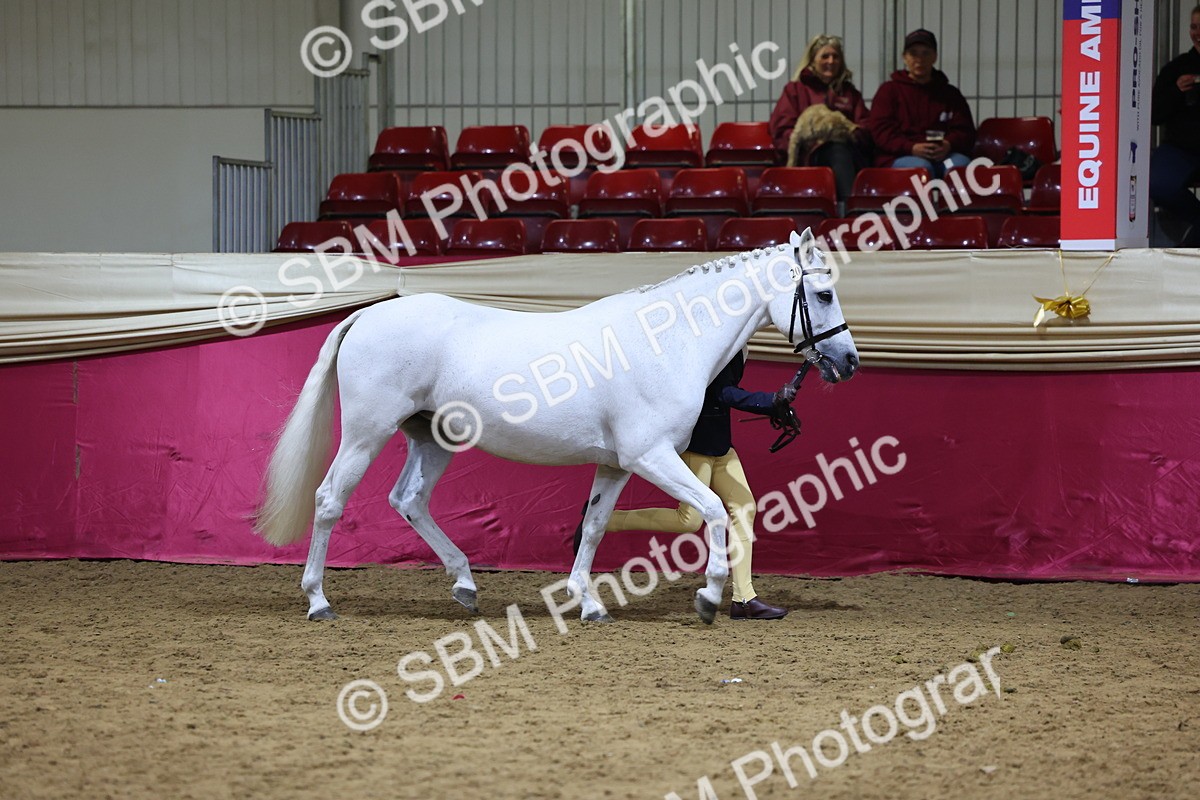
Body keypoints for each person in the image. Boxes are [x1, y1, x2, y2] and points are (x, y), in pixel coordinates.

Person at [575, 351, 796, 620]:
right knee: (689, 520)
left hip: (721, 444)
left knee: (744, 507)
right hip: (697, 442)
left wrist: (777, 405)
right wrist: (769, 401)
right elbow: (721, 392)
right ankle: (604, 519)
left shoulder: (738, 344)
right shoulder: (715, 342)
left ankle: (744, 598)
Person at [768, 34, 871, 202]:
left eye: (835, 57)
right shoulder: (795, 91)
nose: (831, 61)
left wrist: (850, 134)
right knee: (836, 152)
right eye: (825, 56)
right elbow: (781, 129)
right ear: (812, 60)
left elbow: (866, 127)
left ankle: (848, 208)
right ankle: (851, 210)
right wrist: (808, 141)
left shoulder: (849, 93)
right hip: (807, 158)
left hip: (847, 154)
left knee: (838, 150)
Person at [866, 28, 975, 178]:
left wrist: (948, 144)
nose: (919, 59)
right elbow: (881, 132)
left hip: (944, 158)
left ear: (935, 57)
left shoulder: (950, 94)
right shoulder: (888, 91)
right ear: (905, 57)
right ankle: (920, 202)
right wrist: (911, 148)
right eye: (913, 53)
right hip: (900, 156)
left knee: (958, 166)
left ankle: (956, 202)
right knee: (921, 169)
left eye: (926, 53)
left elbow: (966, 130)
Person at [1150, 5, 1200, 247]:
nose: (1197, 33)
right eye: (1193, 27)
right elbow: (1155, 114)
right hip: (1181, 149)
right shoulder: (1176, 69)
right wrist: (1176, 91)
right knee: (1155, 181)